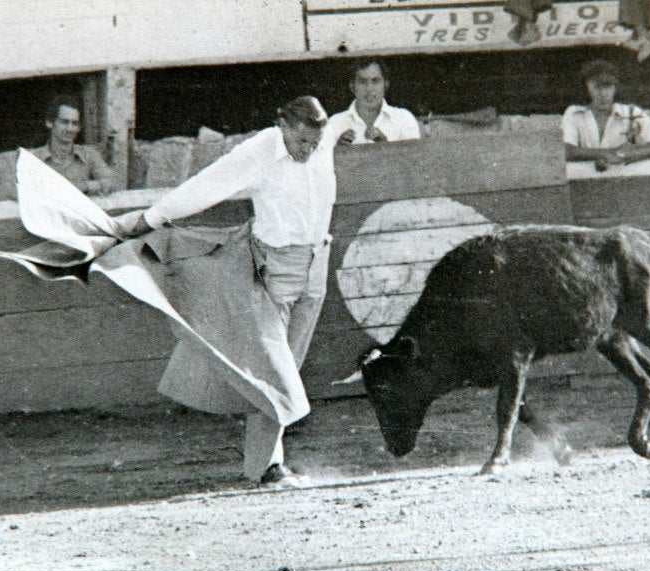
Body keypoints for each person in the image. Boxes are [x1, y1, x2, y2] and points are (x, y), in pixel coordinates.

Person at [124, 96, 336, 488]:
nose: (309, 150)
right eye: (302, 141)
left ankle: (268, 464)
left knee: (287, 367)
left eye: (315, 144)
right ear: (283, 126)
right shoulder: (258, 151)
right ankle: (268, 468)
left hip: (316, 264)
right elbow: (206, 186)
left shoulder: (324, 142)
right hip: (275, 266)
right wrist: (151, 218)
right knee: (274, 369)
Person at [562, 59, 650, 171]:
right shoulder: (574, 114)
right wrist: (609, 153)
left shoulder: (632, 112)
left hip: (626, 178)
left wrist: (632, 153)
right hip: (585, 179)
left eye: (608, 86)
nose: (603, 93)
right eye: (596, 87)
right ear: (587, 87)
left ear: (615, 87)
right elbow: (567, 150)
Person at [30, 94, 115, 195]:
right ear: (49, 123)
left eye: (75, 123)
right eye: (64, 122)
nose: (70, 129)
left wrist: (84, 186)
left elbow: (111, 182)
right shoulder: (34, 159)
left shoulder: (89, 155)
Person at [328, 59, 421, 145]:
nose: (369, 89)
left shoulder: (404, 119)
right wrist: (338, 151)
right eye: (362, 82)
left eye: (375, 81)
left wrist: (387, 147)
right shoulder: (335, 123)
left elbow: (414, 161)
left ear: (386, 85)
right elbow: (323, 161)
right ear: (352, 86)